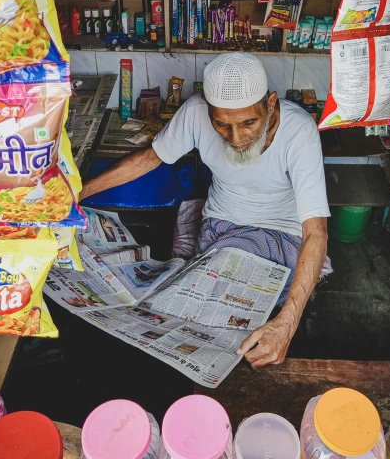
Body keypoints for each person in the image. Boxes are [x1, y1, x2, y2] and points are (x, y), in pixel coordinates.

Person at [81, 53, 330, 369]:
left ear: (270, 104)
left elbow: (315, 232)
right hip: (222, 222)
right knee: (187, 314)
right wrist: (80, 192)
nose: (236, 138)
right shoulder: (195, 112)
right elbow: (151, 158)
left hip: (282, 230)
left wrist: (289, 322)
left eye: (248, 123)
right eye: (221, 124)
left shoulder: (299, 132)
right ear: (208, 110)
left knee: (262, 316)